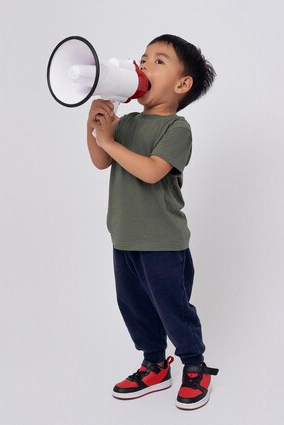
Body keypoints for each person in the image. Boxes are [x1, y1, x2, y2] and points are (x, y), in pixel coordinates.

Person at [87, 34, 219, 410]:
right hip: (124, 237)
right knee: (134, 305)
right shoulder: (126, 123)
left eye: (158, 61)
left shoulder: (177, 129)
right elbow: (100, 160)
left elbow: (150, 172)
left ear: (182, 84)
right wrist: (96, 121)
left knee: (171, 306)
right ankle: (154, 363)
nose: (144, 65)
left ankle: (195, 365)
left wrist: (109, 141)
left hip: (162, 242)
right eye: (143, 59)